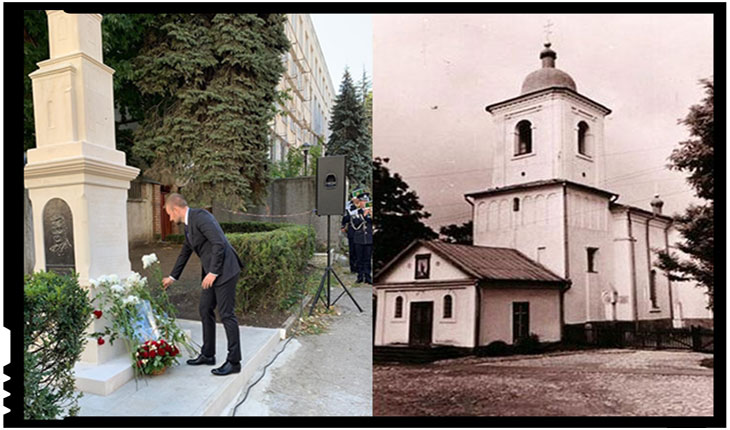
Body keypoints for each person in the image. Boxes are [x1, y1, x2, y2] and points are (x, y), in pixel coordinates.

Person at [161, 193, 244, 376]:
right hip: (211, 273)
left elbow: (219, 243)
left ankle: (234, 362)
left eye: (168, 213)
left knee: (226, 314)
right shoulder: (189, 226)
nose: (169, 217)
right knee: (205, 309)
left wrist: (213, 272)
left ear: (176, 209)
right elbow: (185, 251)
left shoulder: (202, 217)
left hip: (225, 271)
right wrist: (173, 277)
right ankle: (208, 354)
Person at [351, 191, 373, 284]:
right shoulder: (355, 212)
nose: (364, 203)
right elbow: (355, 224)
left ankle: (368, 277)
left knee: (367, 259)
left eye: (366, 201)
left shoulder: (371, 212)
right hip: (359, 239)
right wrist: (364, 215)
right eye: (362, 201)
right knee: (359, 259)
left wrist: (370, 214)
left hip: (368, 239)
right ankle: (360, 276)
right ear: (359, 203)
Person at [341, 196, 359, 274]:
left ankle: (360, 268)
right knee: (352, 250)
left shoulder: (365, 206)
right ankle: (353, 268)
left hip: (362, 232)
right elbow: (346, 218)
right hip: (352, 231)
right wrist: (343, 225)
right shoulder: (349, 207)